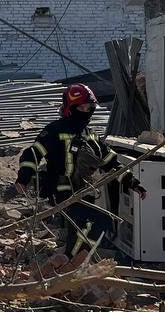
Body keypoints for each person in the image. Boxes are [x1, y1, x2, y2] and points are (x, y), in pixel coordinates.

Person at [13, 83, 145, 258]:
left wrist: (133, 183)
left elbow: (111, 163)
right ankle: (71, 259)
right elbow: (32, 154)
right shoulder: (55, 130)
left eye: (90, 107)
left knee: (94, 224)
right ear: (70, 108)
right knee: (89, 221)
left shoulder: (90, 135)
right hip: (60, 190)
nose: (87, 111)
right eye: (82, 107)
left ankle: (77, 258)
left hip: (84, 191)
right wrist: (23, 178)